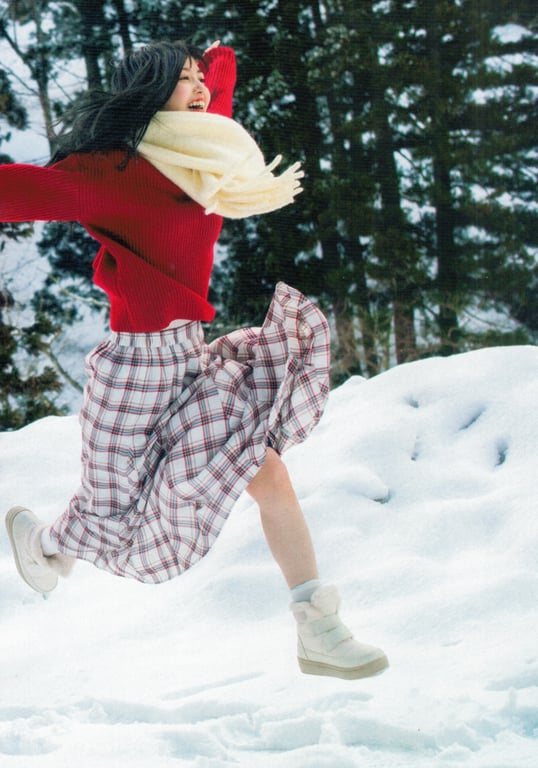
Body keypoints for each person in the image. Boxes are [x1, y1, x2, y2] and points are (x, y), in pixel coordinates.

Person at [2, 39, 388, 681]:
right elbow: (26, 190)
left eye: (196, 80)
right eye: (182, 82)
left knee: (266, 472)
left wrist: (220, 62)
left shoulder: (207, 161)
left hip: (191, 361)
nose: (199, 89)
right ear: (150, 96)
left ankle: (318, 627)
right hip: (133, 374)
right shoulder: (113, 172)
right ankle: (45, 544)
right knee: (112, 518)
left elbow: (218, 101)